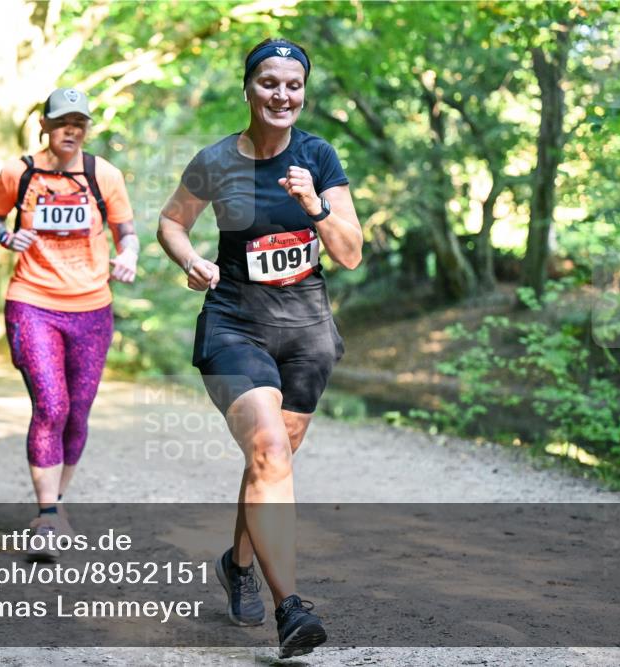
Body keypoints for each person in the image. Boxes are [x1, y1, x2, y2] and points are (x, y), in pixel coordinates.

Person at [157, 38, 363, 658]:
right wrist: (192, 258)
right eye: (269, 83)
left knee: (271, 460)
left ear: (304, 92)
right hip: (235, 323)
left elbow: (350, 252)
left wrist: (316, 205)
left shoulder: (318, 156)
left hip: (305, 330)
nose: (282, 95)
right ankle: (291, 608)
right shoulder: (216, 161)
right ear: (248, 89)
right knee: (270, 449)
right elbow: (172, 222)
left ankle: (238, 563)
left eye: (293, 85)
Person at [0, 87, 139, 561]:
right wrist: (8, 236)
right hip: (32, 301)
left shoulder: (103, 175)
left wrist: (128, 252)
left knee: (79, 410)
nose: (72, 130)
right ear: (45, 125)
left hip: (92, 308)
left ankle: (58, 504)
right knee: (51, 403)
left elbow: (126, 229)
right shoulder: (20, 172)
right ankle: (46, 516)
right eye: (63, 122)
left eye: (80, 123)